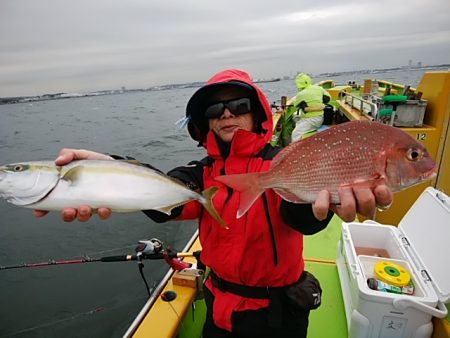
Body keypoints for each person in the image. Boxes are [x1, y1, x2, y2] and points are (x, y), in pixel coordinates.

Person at [34, 69, 393, 338]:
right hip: (218, 305)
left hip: (278, 313)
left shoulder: (281, 163)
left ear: (257, 114)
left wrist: (325, 204)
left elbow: (300, 217)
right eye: (215, 110)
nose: (226, 114)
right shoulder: (201, 174)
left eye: (238, 105)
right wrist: (109, 171)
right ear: (203, 123)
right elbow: (168, 199)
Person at [291, 73, 331, 142]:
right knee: (298, 122)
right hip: (320, 118)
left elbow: (295, 104)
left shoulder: (301, 94)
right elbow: (328, 98)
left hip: (311, 120)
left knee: (295, 134)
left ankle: (297, 150)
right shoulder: (319, 88)